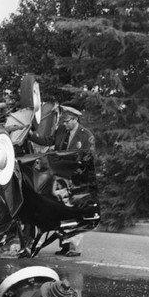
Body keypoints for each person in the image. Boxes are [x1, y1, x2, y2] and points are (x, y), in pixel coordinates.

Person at [29, 105, 95, 257]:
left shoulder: (86, 136)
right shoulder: (61, 131)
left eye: (67, 122)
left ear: (75, 119)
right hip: (61, 177)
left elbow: (88, 158)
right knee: (64, 212)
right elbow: (48, 141)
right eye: (63, 122)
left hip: (76, 178)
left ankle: (74, 247)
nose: (64, 125)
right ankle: (65, 245)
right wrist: (32, 135)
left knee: (76, 212)